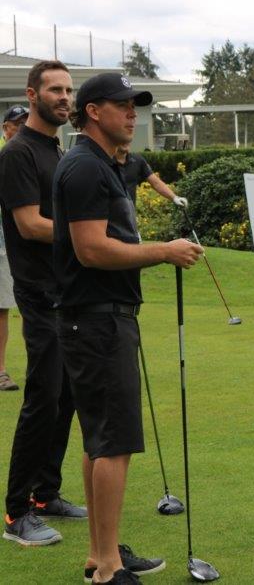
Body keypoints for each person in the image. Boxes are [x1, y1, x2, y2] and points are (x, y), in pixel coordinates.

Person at [54, 72, 203, 583]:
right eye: (124, 106)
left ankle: (102, 552)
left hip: (97, 320)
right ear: (94, 111)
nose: (133, 115)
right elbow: (91, 249)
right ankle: (108, 570)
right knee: (113, 442)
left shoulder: (104, 165)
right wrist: (164, 251)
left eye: (135, 107)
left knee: (99, 441)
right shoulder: (83, 168)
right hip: (95, 323)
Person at [1, 62, 86, 547]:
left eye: (69, 90)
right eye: (55, 89)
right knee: (43, 397)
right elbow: (30, 224)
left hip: (68, 290)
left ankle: (45, 494)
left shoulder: (57, 147)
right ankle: (16, 514)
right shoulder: (17, 154)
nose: (64, 97)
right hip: (39, 293)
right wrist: (87, 235)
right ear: (32, 95)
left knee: (68, 395)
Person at [0, 106, 28, 392]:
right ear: (6, 128)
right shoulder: (6, 157)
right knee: (1, 308)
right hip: (2, 245)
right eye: (17, 125)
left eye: (25, 124)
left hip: (18, 247)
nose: (21, 129)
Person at [114, 143, 187, 207]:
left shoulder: (137, 161)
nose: (125, 142)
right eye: (122, 139)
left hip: (129, 217)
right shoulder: (105, 162)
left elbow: (156, 183)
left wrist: (174, 198)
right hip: (107, 219)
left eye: (127, 139)